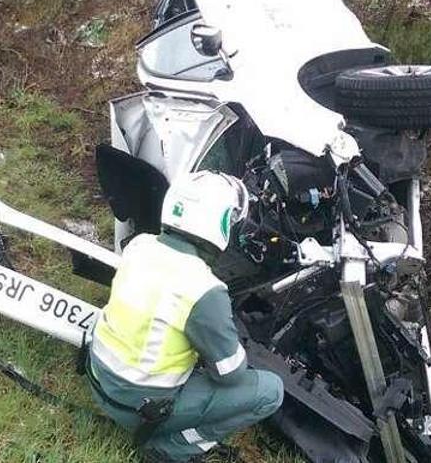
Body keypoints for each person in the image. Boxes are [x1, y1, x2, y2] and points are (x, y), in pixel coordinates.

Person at [85, 171, 284, 462]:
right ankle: (174, 448)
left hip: (99, 380)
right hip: (139, 406)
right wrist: (235, 348)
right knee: (270, 390)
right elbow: (230, 374)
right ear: (219, 222)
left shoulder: (140, 245)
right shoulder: (204, 288)